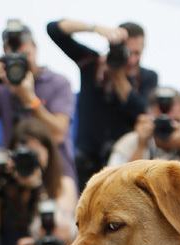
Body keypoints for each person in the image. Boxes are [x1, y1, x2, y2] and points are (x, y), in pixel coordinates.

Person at [47, 18, 157, 191]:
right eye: (128, 53)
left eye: (137, 53)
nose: (132, 60)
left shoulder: (148, 77)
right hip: (88, 161)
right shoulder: (92, 64)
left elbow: (141, 111)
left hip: (125, 160)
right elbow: (54, 30)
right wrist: (96, 28)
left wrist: (118, 76)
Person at [0, 21, 77, 185]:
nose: (21, 62)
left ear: (35, 49)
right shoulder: (0, 87)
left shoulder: (58, 83)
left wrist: (29, 99)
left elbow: (58, 135)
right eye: (13, 56)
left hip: (55, 178)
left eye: (25, 55)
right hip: (15, 177)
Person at [108, 88, 180, 199]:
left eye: (175, 121)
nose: (167, 128)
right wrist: (141, 146)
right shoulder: (131, 141)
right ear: (148, 115)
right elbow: (114, 189)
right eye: (160, 121)